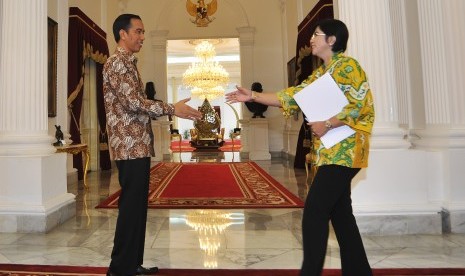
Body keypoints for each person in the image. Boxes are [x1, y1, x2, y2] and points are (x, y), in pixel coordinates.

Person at [226, 19, 374, 276]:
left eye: (316, 35)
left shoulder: (348, 66)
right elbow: (291, 97)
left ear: (332, 40)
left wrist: (327, 123)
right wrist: (253, 96)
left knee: (315, 211)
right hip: (330, 152)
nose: (311, 40)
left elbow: (359, 105)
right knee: (341, 214)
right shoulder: (320, 74)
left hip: (346, 150)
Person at [103, 14, 202, 276]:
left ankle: (131, 263)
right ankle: (119, 268)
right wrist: (173, 109)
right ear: (122, 34)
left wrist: (171, 109)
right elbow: (133, 103)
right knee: (130, 207)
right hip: (129, 145)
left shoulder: (128, 63)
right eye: (138, 31)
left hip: (138, 144)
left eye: (144, 32)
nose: (142, 37)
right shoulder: (116, 63)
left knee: (137, 207)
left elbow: (136, 103)